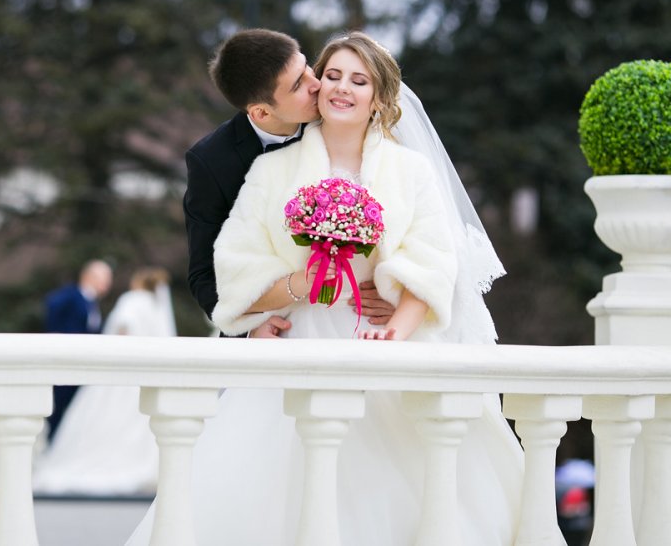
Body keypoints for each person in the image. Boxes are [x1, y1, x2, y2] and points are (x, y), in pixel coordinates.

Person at [125, 32, 546, 544]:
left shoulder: (411, 170)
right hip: (299, 345)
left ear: (380, 98)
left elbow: (433, 263)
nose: (334, 86)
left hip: (385, 346)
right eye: (331, 75)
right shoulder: (267, 168)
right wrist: (300, 287)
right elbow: (228, 274)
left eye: (357, 80)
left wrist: (394, 330)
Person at [183, 28, 394, 339]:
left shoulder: (342, 112)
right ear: (261, 112)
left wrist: (394, 296)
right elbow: (205, 275)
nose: (317, 83)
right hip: (283, 327)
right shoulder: (212, 161)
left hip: (360, 321)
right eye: (298, 85)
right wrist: (250, 329)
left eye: (307, 67)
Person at [33, 267, 176, 496]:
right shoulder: (155, 306)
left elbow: (124, 326)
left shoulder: (132, 299)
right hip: (143, 377)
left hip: (120, 374)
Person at [43, 259, 113, 440]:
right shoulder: (72, 295)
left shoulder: (93, 303)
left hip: (83, 365)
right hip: (66, 361)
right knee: (58, 405)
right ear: (88, 276)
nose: (107, 284)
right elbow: (52, 306)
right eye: (103, 278)